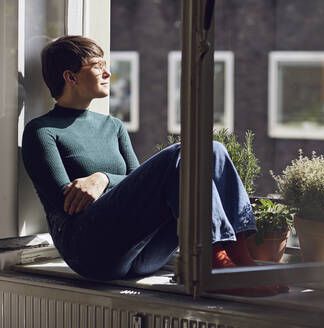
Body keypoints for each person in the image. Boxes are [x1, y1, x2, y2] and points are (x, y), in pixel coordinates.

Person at [22, 35, 286, 296]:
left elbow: (137, 183)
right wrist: (110, 180)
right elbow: (65, 202)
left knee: (211, 149)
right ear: (71, 77)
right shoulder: (42, 131)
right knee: (184, 153)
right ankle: (214, 263)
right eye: (98, 66)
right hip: (89, 251)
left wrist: (102, 178)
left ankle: (240, 261)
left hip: (143, 254)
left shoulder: (112, 126)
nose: (108, 73)